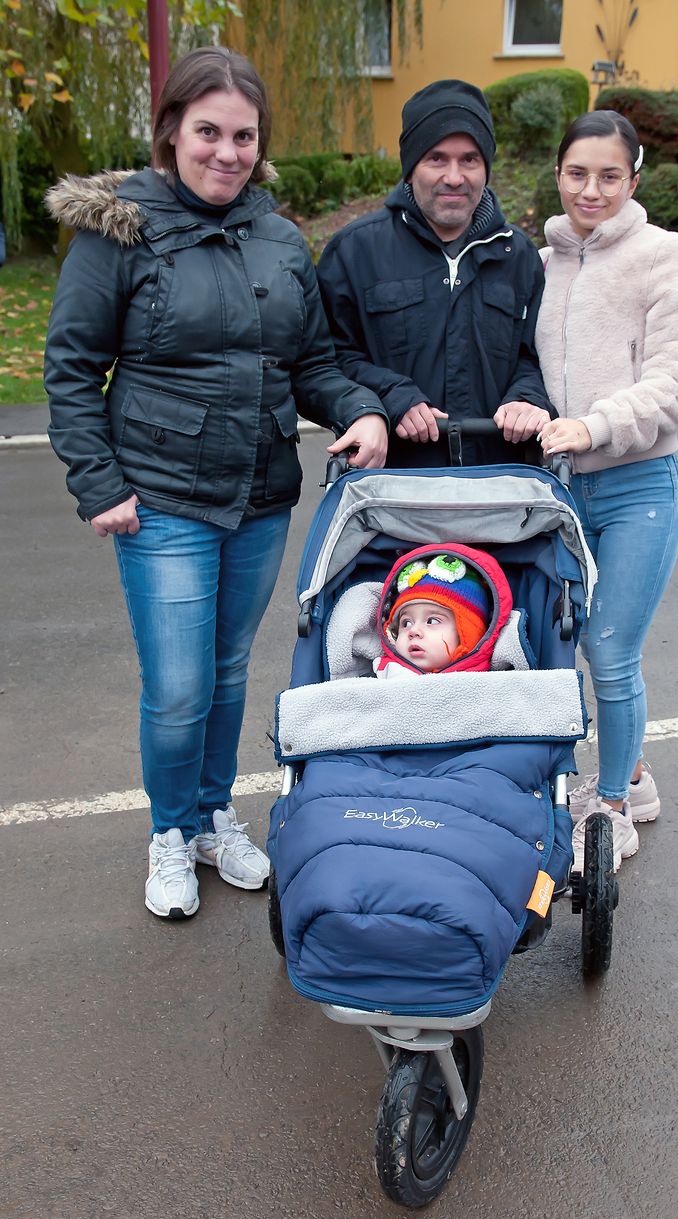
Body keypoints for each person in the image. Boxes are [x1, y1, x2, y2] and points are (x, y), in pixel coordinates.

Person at [43, 46, 388, 920]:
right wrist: (99, 484)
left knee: (229, 669)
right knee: (180, 684)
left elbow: (309, 360)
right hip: (158, 499)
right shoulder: (118, 229)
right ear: (170, 134)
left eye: (244, 136)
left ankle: (209, 816)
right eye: (208, 132)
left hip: (259, 492)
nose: (227, 153)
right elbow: (73, 366)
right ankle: (168, 830)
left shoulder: (275, 234)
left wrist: (360, 408)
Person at [535, 110, 678, 872]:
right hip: (562, 489)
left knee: (609, 649)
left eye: (611, 175)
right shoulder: (541, 262)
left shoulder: (668, 256)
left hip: (639, 483)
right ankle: (633, 776)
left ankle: (608, 809)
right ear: (559, 175)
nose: (593, 189)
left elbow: (677, 385)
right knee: (563, 641)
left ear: (634, 179)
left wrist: (591, 424)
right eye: (579, 173)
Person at [317, 79, 555, 468]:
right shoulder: (355, 253)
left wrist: (527, 397)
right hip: (389, 486)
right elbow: (328, 358)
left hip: (499, 486)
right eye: (437, 159)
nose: (454, 177)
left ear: (486, 168)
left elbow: (537, 356)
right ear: (411, 168)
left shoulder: (519, 257)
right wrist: (392, 397)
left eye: (470, 160)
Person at [374, 546, 511, 677]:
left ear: (469, 634)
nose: (413, 631)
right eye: (406, 623)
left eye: (432, 621)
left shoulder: (489, 684)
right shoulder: (382, 675)